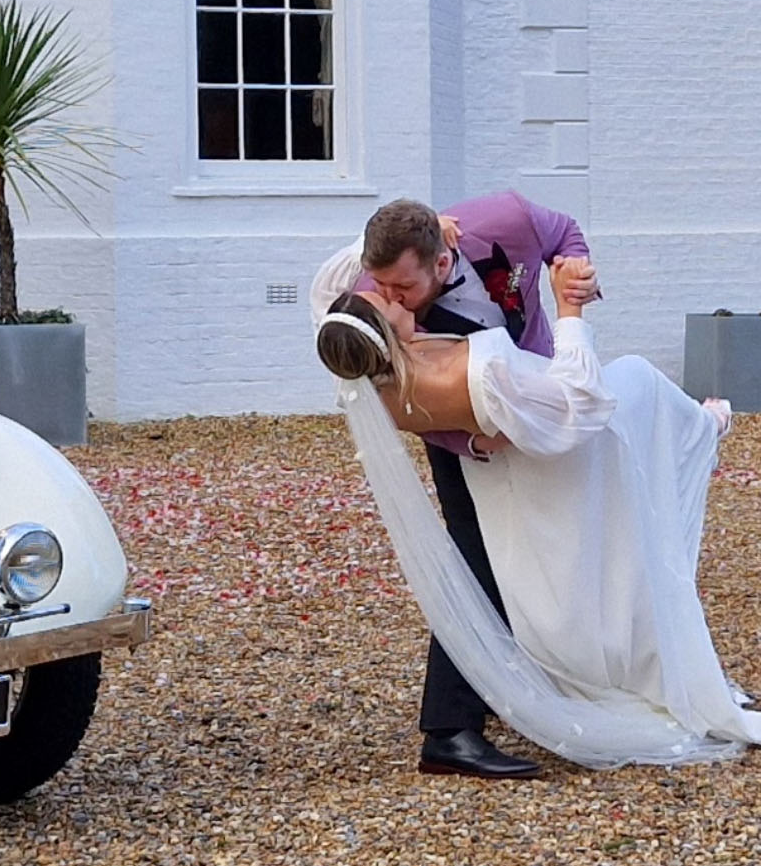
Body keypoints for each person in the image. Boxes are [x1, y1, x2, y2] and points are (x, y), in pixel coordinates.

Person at [315, 220, 755, 769]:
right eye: (387, 297)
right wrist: (570, 314)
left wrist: (417, 229)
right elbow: (581, 404)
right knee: (496, 566)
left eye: (388, 285)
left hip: (504, 454)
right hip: (550, 441)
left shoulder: (362, 356)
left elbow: (330, 281)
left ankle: (480, 697)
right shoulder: (468, 369)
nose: (386, 292)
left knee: (500, 569)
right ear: (387, 329)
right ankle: (451, 728)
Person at [310, 194, 596, 776]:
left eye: (402, 288)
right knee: (476, 558)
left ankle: (544, 683)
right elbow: (406, 403)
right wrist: (471, 441)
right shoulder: (379, 306)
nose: (388, 297)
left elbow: (563, 229)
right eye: (381, 285)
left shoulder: (504, 219)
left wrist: (576, 276)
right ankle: (450, 729)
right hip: (460, 430)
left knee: (552, 549)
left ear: (442, 260)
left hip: (536, 392)